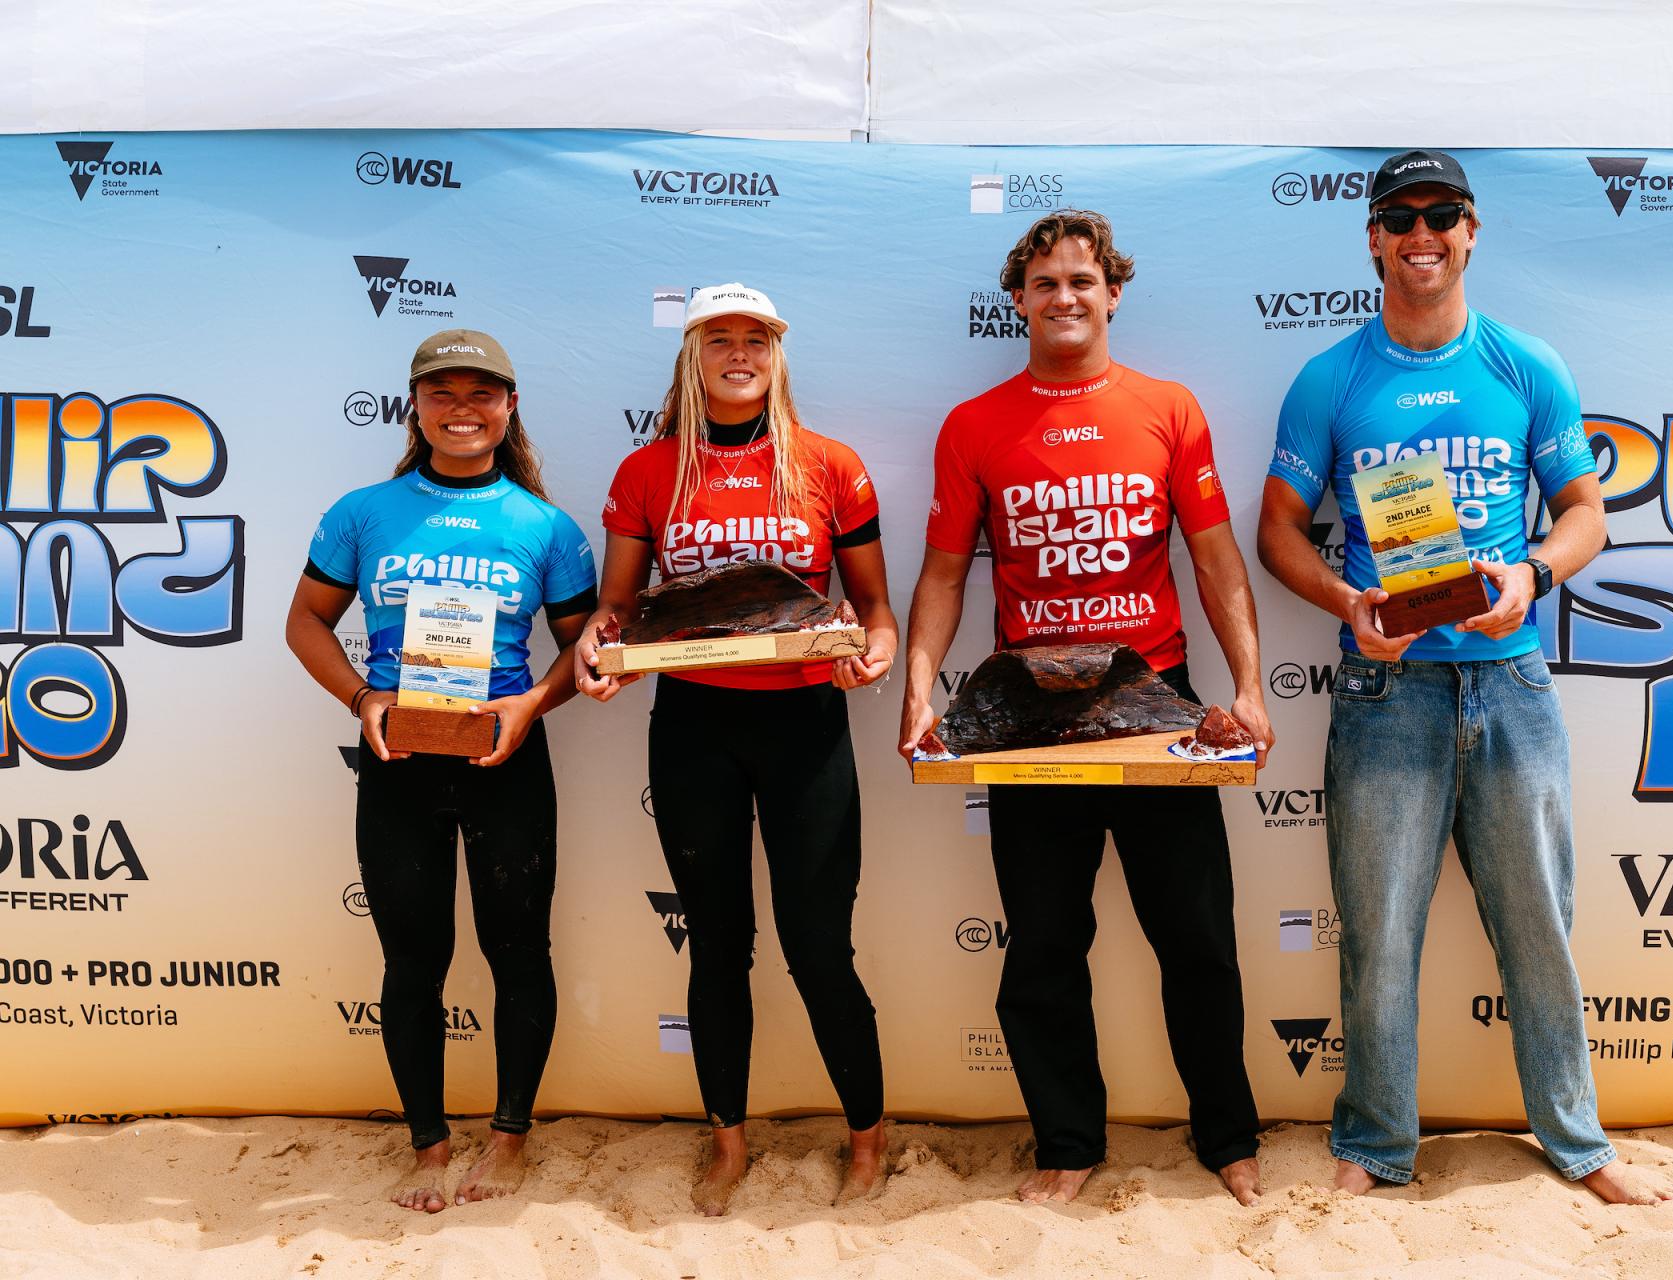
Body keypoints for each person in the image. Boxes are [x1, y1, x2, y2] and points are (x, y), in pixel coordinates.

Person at [1257, 150, 1666, 1205]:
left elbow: (1586, 514)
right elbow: (1276, 533)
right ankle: (1375, 1142)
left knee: (1540, 924)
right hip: (1384, 692)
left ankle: (1579, 1141)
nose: (1422, 231)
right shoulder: (1331, 377)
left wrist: (1532, 571)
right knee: (1379, 932)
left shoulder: (1528, 364)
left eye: (1442, 213)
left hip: (1512, 684)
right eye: (1402, 215)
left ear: (1472, 231)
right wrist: (1349, 603)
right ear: (1374, 238)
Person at [898, 211, 1273, 1206]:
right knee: (1045, 946)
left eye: (1083, 281)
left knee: (1197, 940)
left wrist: (1248, 689)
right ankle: (1067, 1144)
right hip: (1033, 719)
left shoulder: (1168, 407)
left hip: (1158, 709)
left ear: (1113, 293)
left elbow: (1217, 560)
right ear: (1016, 299)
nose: (1065, 298)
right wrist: (916, 694)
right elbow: (941, 578)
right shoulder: (973, 424)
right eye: (1045, 282)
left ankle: (1229, 1136)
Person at [574, 284, 898, 1216]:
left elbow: (873, 608)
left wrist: (870, 655)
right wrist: (603, 650)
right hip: (693, 727)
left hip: (805, 727)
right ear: (693, 355)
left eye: (757, 337)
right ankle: (727, 1144)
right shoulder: (648, 472)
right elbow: (618, 608)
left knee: (819, 946)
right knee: (717, 947)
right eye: (721, 338)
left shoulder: (831, 465)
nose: (740, 352)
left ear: (778, 354)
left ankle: (867, 1139)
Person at [286, 330, 598, 1213]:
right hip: (399, 759)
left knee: (517, 952)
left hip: (505, 756)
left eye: (481, 394)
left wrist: (533, 702)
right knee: (412, 960)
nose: (462, 410)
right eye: (442, 394)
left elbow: (582, 652)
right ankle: (427, 1145)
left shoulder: (546, 525)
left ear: (509, 407)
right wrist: (361, 700)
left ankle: (508, 1138)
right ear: (414, 406)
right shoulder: (364, 511)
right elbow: (306, 621)